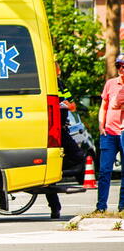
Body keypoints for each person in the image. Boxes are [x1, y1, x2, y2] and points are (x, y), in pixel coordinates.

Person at [47, 63, 85, 219]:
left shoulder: (60, 84)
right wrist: (61, 105)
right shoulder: (46, 83)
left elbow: (73, 106)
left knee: (78, 156)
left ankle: (57, 168)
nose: (57, 71)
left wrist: (63, 105)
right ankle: (55, 208)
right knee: (49, 177)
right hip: (50, 129)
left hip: (62, 128)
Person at [97, 54, 124, 213]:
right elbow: (104, 105)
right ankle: (101, 207)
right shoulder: (111, 84)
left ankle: (122, 207)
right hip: (109, 132)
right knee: (104, 171)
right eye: (118, 66)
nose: (121, 69)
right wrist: (101, 125)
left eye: (123, 66)